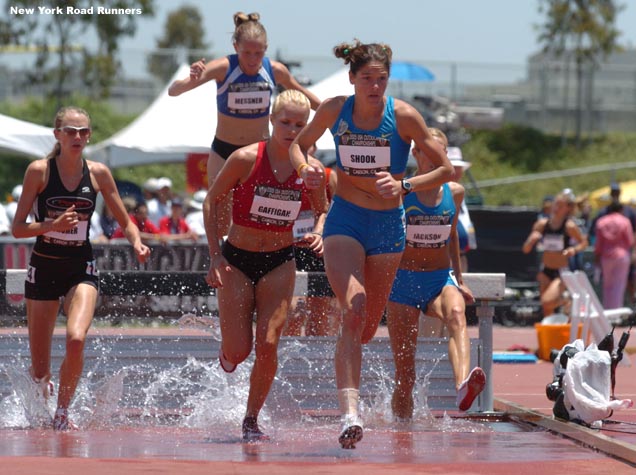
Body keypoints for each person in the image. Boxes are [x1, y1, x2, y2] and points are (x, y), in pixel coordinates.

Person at [289, 39, 453, 449]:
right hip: (344, 219)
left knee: (364, 326)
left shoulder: (403, 116)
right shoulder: (333, 108)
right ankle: (350, 414)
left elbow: (446, 169)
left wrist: (404, 183)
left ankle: (351, 365)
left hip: (388, 227)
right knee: (353, 309)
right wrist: (306, 166)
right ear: (352, 78)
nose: (375, 87)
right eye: (367, 79)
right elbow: (298, 144)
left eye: (381, 79)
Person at [10, 106, 150, 431]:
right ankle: (39, 412)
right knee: (40, 370)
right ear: (57, 134)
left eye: (83, 131)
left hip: (80, 265)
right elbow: (18, 228)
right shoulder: (39, 171)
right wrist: (51, 224)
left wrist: (136, 242)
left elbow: (124, 219)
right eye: (71, 131)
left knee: (75, 338)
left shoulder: (98, 173)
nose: (77, 137)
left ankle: (62, 411)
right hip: (44, 266)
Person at [204, 90, 328, 442]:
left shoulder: (311, 171)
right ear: (271, 120)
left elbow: (322, 209)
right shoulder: (245, 158)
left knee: (269, 343)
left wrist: (318, 232)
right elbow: (211, 202)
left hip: (279, 261)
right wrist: (215, 255)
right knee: (239, 351)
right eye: (285, 122)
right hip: (237, 261)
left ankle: (251, 419)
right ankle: (229, 352)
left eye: (300, 125)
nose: (292, 130)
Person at [168, 11, 321, 237]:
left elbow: (305, 95)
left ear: (266, 49)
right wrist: (192, 77)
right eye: (246, 53)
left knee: (259, 216)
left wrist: (338, 112)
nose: (252, 59)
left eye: (258, 53)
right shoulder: (223, 67)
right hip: (224, 152)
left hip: (259, 154)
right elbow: (174, 91)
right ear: (235, 46)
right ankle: (219, 264)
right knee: (221, 222)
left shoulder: (274, 70)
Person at [386, 128, 485, 419]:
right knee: (406, 376)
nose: (436, 158)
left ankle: (462, 385)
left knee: (457, 314)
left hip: (439, 278)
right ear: (416, 154)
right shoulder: (401, 191)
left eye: (441, 152)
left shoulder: (455, 193)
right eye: (429, 152)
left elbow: (453, 235)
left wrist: (460, 280)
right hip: (403, 282)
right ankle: (401, 430)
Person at [284, 162, 339, 337]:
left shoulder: (328, 175)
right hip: (289, 248)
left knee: (319, 317)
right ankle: (287, 358)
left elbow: (337, 210)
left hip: (319, 249)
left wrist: (320, 231)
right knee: (294, 312)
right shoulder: (280, 172)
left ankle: (318, 361)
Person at [522, 191, 588, 317]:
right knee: (547, 311)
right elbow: (525, 249)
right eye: (555, 204)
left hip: (561, 272)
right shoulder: (542, 224)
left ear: (567, 209)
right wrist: (531, 240)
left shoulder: (569, 226)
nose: (556, 208)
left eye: (560, 206)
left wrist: (573, 250)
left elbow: (584, 242)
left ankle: (568, 301)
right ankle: (552, 334)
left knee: (546, 301)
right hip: (545, 270)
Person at [594, 201, 635, 309]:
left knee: (607, 285)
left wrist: (597, 257)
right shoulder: (625, 221)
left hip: (606, 257)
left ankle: (607, 310)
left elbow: (598, 244)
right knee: (619, 285)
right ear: (621, 210)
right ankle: (616, 312)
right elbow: (630, 241)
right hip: (622, 256)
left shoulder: (601, 222)